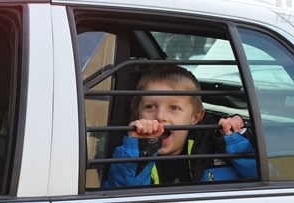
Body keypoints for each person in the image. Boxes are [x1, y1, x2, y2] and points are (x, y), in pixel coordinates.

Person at [103, 64, 257, 187]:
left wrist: (235, 140)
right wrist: (139, 150)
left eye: (174, 108)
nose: (160, 117)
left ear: (195, 117)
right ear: (137, 112)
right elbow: (122, 194)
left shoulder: (213, 145)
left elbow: (260, 175)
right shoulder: (126, 150)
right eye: (150, 106)